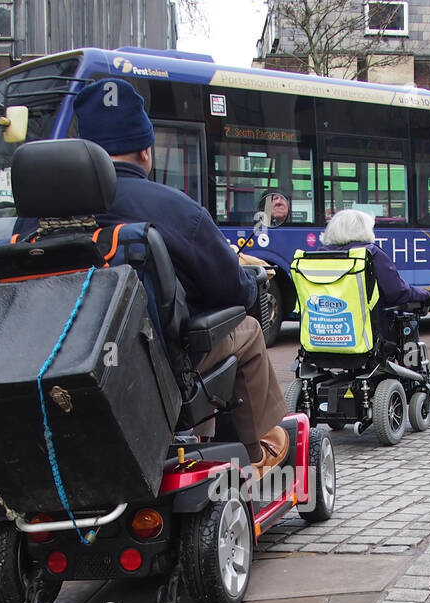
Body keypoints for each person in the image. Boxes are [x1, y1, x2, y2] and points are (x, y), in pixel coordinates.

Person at [73, 78, 289, 474]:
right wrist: (245, 277)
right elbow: (235, 292)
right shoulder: (177, 211)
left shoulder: (33, 222)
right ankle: (259, 450)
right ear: (145, 149)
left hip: (66, 369)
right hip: (158, 371)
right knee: (247, 331)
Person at [318, 208, 430, 339]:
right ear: (364, 230)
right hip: (367, 336)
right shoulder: (371, 254)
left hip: (325, 334)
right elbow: (397, 292)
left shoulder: (318, 256)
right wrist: (425, 295)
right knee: (408, 322)